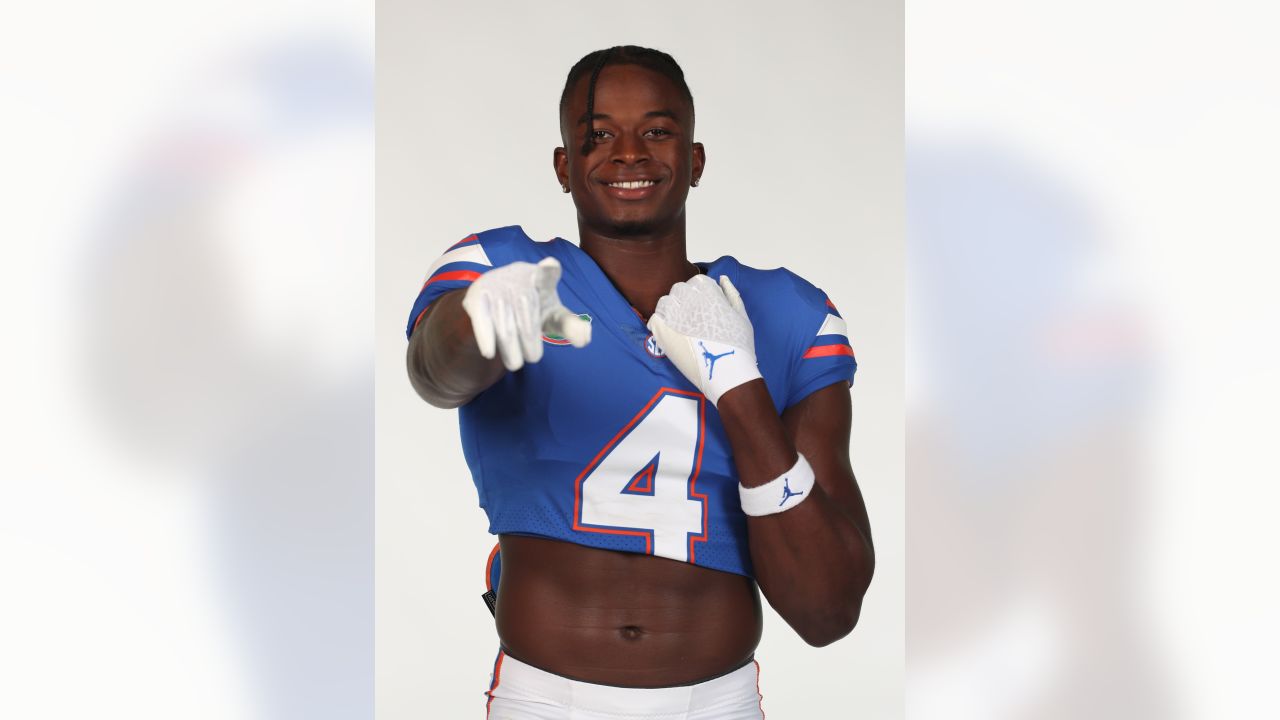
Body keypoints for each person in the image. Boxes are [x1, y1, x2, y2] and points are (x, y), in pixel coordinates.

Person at [405, 45, 874, 720]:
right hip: (546, 699)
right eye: (598, 135)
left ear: (696, 160)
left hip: (718, 703)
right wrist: (479, 319)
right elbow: (434, 373)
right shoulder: (505, 268)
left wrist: (738, 387)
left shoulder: (784, 314)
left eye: (657, 131)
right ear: (565, 166)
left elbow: (828, 611)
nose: (628, 152)